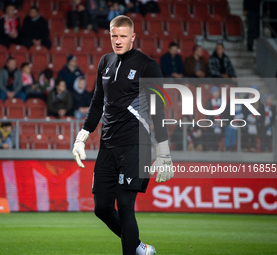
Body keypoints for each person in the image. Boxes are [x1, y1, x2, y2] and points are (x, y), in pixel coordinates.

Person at [72, 15, 173, 255]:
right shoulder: (104, 62)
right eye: (114, 36)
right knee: (101, 208)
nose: (118, 41)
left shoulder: (148, 66)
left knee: (125, 205)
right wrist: (82, 136)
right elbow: (97, 102)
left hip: (136, 145)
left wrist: (164, 151)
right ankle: (139, 247)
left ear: (133, 38)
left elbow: (158, 110)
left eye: (123, 36)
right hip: (108, 145)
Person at [205, 86, 222, 151]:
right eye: (215, 92)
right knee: (211, 135)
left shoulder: (220, 101)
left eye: (217, 92)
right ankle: (211, 147)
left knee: (217, 136)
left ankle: (216, 147)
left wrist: (221, 120)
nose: (216, 93)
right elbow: (207, 111)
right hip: (211, 122)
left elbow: (222, 112)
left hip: (218, 122)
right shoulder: (209, 101)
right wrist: (209, 120)